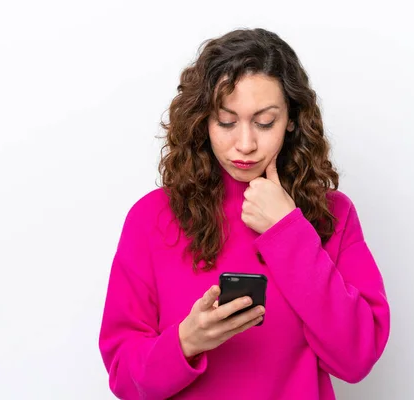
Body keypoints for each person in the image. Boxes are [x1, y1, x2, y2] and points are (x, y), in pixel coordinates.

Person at [98, 28, 390, 400]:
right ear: (202, 120)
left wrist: (288, 232)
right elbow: (124, 377)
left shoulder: (332, 214)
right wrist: (186, 342)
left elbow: (356, 358)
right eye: (226, 121)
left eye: (265, 122)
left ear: (292, 120)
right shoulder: (151, 218)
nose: (246, 144)